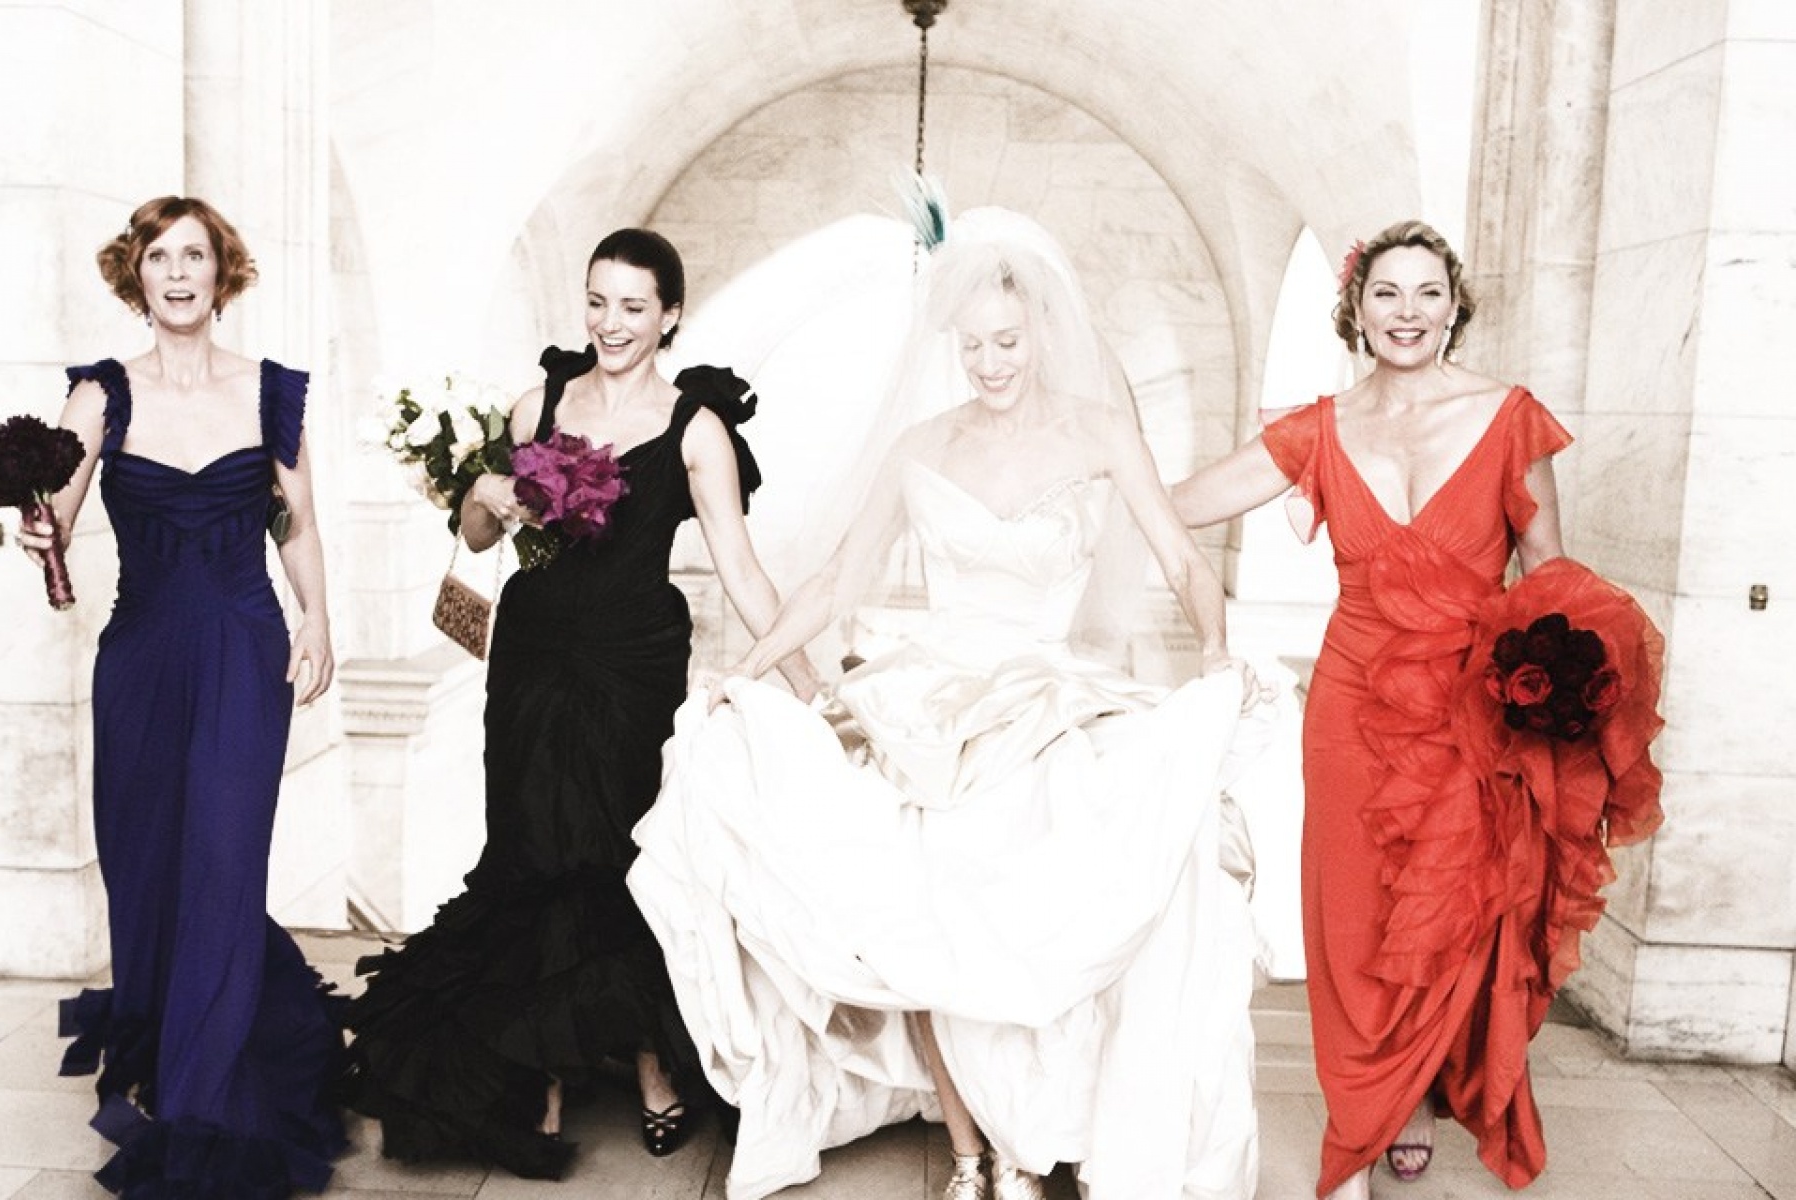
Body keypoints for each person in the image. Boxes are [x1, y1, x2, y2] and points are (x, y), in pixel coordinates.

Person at [627, 207, 1271, 1200]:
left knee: (1037, 919)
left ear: (1042, 331)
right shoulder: (921, 445)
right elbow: (835, 578)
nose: (989, 363)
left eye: (1006, 341)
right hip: (931, 709)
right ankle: (970, 1153)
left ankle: (1026, 1140)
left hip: (1048, 700)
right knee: (919, 923)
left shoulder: (1101, 433)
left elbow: (1184, 559)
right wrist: (748, 670)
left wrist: (1218, 650)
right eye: (970, 345)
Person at [1170, 219, 1664, 1199]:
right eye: (1386, 293)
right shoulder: (1316, 428)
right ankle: (1367, 1111)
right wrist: (1077, 447)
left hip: (1470, 712)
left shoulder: (1509, 418)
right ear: (1356, 311)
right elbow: (1178, 504)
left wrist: (1557, 694)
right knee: (1354, 914)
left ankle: (1416, 1092)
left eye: (1427, 293)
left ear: (1454, 307)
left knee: (1453, 914)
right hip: (1351, 706)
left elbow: (1550, 575)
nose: (1407, 312)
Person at [338, 228, 819, 1178]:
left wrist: (812, 687)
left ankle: (648, 1060)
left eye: (634, 306)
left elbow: (743, 570)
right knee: (530, 846)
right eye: (598, 301)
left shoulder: (697, 428)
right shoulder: (539, 405)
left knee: (620, 852)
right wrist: (486, 491)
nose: (611, 322)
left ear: (670, 316)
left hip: (633, 664)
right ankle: (542, 1066)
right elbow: (480, 538)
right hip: (533, 653)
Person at [19, 195, 346, 1197]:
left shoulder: (270, 391)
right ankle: (169, 1048)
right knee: (150, 865)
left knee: (223, 862)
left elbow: (295, 523)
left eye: (193, 255)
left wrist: (317, 618)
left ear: (221, 272)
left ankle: (205, 1102)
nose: (176, 273)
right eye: (158, 257)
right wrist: (37, 529)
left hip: (244, 650)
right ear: (136, 275)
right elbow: (54, 515)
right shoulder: (100, 395)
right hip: (143, 656)